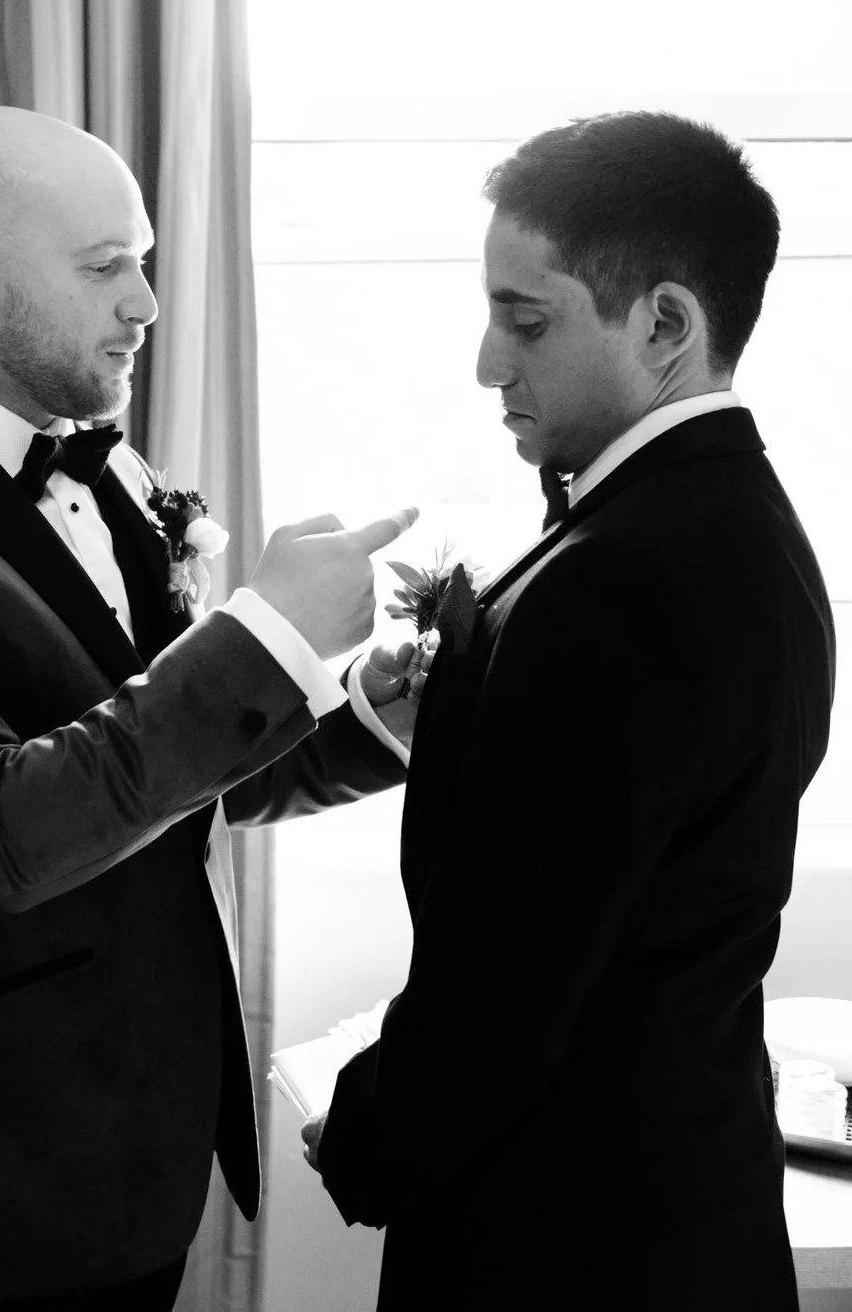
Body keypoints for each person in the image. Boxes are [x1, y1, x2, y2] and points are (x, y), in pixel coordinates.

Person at [0, 105, 420, 1308]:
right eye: (107, 267)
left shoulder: (111, 470)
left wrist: (366, 711)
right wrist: (260, 636)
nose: (145, 303)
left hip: (140, 1145)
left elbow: (171, 772)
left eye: (143, 261)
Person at [308, 111, 836, 1311]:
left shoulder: (622, 578)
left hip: (569, 1242)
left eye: (523, 317)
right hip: (681, 1203)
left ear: (663, 324)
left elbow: (509, 979)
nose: (487, 364)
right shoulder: (739, 523)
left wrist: (365, 1130)